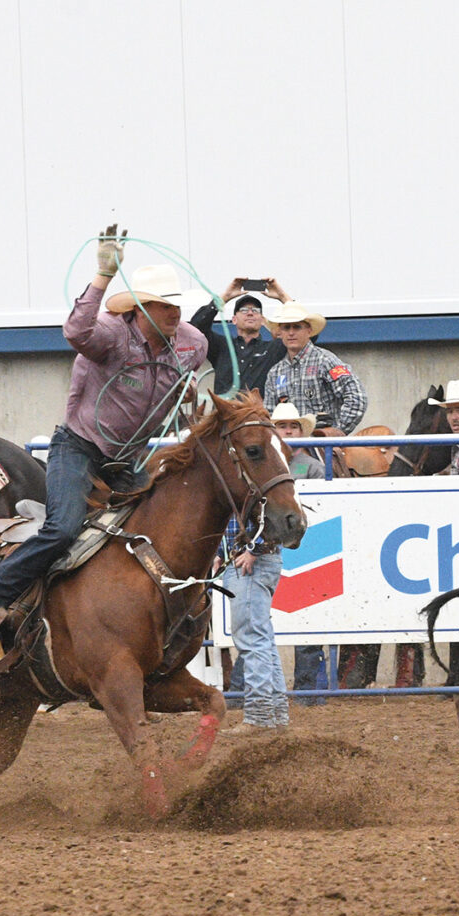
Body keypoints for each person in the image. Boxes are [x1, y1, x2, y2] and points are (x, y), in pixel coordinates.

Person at [0, 233, 209, 669]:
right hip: (79, 448)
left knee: (160, 529)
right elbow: (76, 330)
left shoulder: (192, 344)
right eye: (165, 305)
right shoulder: (112, 334)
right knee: (61, 530)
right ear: (141, 308)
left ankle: (151, 629)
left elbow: (177, 391)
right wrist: (102, 276)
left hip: (127, 459)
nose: (175, 312)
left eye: (177, 305)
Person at [223, 401, 324, 728]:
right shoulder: (275, 463)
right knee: (261, 639)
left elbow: (271, 508)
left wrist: (252, 548)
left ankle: (259, 716)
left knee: (252, 639)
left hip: (253, 560)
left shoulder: (260, 465)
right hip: (260, 560)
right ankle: (275, 714)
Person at [264, 301, 368, 474]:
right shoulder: (276, 372)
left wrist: (337, 431)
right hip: (287, 446)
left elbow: (357, 397)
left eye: (297, 327)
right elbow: (268, 412)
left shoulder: (326, 361)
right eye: (286, 327)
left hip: (322, 445)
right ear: (279, 333)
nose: (291, 332)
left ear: (309, 331)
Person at [190, 279, 291, 399]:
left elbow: (305, 335)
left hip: (258, 415)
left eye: (255, 310)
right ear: (234, 320)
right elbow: (196, 328)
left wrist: (283, 297)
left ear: (263, 320)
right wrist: (224, 297)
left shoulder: (272, 349)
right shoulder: (222, 346)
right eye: (243, 310)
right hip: (225, 415)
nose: (250, 313)